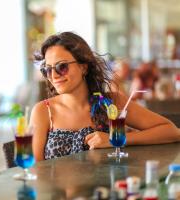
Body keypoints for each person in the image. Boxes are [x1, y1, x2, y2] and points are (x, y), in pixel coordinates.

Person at [30, 32, 180, 161]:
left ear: (83, 67)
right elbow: (36, 170)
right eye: (47, 70)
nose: (54, 76)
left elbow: (172, 131)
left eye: (61, 67)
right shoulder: (43, 111)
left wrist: (116, 140)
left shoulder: (111, 103)